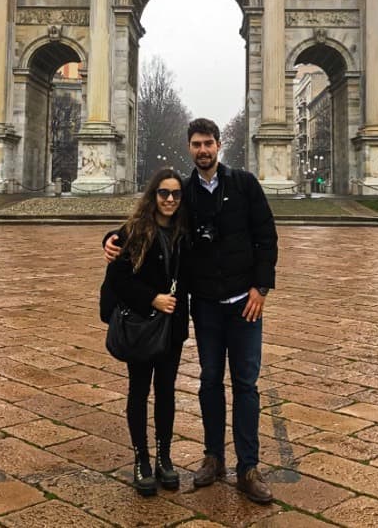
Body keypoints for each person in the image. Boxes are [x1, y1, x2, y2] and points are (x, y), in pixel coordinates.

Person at [105, 118, 278, 504]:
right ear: (189, 148)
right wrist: (111, 239)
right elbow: (145, 223)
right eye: (197, 144)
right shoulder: (183, 193)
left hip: (244, 304)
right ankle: (213, 458)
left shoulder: (245, 184)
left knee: (246, 385)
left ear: (219, 145)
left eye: (209, 143)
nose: (203, 150)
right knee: (211, 381)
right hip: (206, 307)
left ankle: (248, 466)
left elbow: (266, 235)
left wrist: (261, 287)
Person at [104, 167, 189, 497]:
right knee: (139, 391)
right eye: (163, 193)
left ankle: (164, 458)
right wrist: (152, 299)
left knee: (166, 392)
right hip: (142, 323)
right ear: (153, 195)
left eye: (176, 194)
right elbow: (118, 278)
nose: (169, 199)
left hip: (173, 327)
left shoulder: (186, 231)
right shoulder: (135, 231)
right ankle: (142, 460)